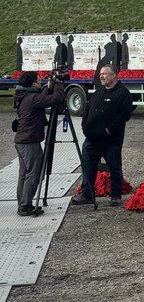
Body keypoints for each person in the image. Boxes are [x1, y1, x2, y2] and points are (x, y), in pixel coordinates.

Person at [72, 64, 134, 206]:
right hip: (92, 139)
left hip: (111, 140)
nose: (101, 76)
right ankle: (87, 194)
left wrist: (108, 130)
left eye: (105, 74)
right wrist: (85, 125)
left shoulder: (123, 94)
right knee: (88, 166)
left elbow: (124, 115)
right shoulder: (99, 91)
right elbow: (88, 108)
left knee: (114, 167)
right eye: (101, 74)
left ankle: (116, 195)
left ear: (114, 75)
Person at [13, 71, 66, 216]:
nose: (40, 81)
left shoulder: (25, 95)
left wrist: (48, 87)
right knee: (34, 173)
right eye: (38, 80)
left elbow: (42, 97)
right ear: (33, 84)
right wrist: (59, 85)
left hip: (22, 140)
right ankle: (25, 206)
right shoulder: (32, 98)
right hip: (29, 141)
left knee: (24, 174)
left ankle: (23, 203)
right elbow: (55, 99)